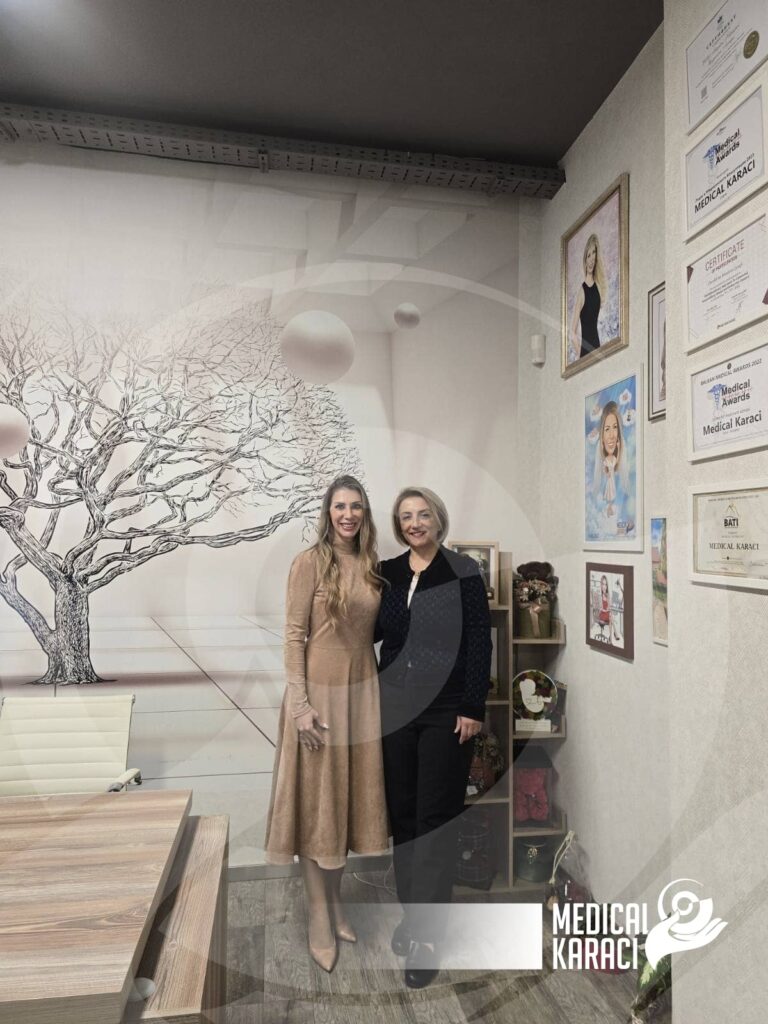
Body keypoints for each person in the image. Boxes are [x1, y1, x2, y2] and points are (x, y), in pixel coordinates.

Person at [263, 475, 388, 973]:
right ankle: (318, 913)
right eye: (340, 506)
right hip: (317, 695)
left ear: (365, 513)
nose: (348, 514)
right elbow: (293, 636)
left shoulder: (373, 565)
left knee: (345, 803)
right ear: (327, 512)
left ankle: (335, 903)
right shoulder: (309, 562)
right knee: (317, 806)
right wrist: (300, 707)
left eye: (356, 506)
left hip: (362, 693)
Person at [376, 486, 492, 989]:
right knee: (403, 818)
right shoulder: (389, 572)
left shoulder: (463, 570)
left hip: (446, 710)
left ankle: (428, 936)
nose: (415, 523)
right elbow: (371, 631)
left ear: (438, 519)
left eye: (423, 514)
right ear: (398, 524)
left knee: (433, 820)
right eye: (406, 516)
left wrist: (472, 706)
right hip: (395, 708)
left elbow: (479, 640)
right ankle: (414, 916)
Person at [569, 232, 606, 361]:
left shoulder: (598, 287)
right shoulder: (581, 292)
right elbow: (572, 333)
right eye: (588, 255)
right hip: (586, 352)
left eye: (593, 253)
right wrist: (581, 356)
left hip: (597, 347)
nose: (591, 259)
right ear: (585, 259)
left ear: (596, 257)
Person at [592, 400, 629, 521]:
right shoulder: (604, 461)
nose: (612, 435)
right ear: (602, 437)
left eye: (615, 427)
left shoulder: (620, 458)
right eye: (607, 429)